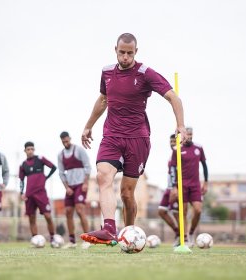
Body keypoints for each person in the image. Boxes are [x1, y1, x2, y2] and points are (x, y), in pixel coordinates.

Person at [80, 33, 187, 245]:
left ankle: (129, 234)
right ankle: (109, 229)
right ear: (115, 50)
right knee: (103, 176)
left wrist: (181, 125)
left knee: (127, 194)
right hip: (111, 135)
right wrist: (88, 125)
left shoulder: (146, 73)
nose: (126, 57)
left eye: (130, 53)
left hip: (137, 139)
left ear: (136, 52)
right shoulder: (107, 72)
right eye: (122, 52)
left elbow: (173, 97)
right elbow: (103, 100)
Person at [170, 127, 208, 247]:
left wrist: (206, 182)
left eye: (191, 134)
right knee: (183, 212)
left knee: (198, 210)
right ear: (183, 135)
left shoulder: (199, 148)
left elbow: (204, 165)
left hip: (195, 184)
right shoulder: (176, 149)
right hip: (182, 185)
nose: (189, 136)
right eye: (187, 134)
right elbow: (173, 169)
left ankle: (191, 233)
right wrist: (174, 187)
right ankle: (185, 238)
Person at [19, 141, 57, 247]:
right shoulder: (23, 165)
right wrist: (22, 192)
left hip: (41, 193)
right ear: (25, 151)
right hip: (29, 195)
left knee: (48, 216)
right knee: (32, 218)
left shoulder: (40, 159)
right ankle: (35, 239)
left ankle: (53, 238)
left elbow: (53, 167)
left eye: (32, 149)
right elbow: (21, 180)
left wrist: (46, 177)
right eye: (28, 149)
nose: (30, 151)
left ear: (34, 149)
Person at [57, 131, 91, 249]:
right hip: (70, 187)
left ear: (70, 139)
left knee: (80, 210)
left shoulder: (79, 150)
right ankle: (72, 241)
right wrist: (66, 187)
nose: (65, 143)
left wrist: (86, 183)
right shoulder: (60, 155)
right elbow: (61, 173)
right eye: (63, 141)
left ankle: (87, 239)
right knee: (68, 212)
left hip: (81, 185)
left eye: (67, 140)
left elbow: (88, 166)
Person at [158, 134, 180, 245]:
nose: (172, 144)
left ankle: (183, 238)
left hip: (176, 188)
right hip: (169, 187)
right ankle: (177, 232)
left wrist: (175, 188)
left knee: (177, 213)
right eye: (171, 141)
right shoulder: (172, 155)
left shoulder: (181, 155)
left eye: (174, 142)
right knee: (161, 211)